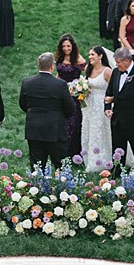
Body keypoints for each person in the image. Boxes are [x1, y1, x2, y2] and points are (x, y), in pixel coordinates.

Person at [20, 52, 77, 169]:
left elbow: (23, 104)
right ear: (52, 66)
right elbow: (71, 108)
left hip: (34, 130)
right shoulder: (60, 84)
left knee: (37, 167)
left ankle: (37, 187)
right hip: (55, 130)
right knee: (60, 167)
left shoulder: (27, 82)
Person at [104, 48, 134, 171]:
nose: (116, 64)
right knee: (117, 147)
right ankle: (117, 171)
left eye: (118, 62)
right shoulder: (115, 72)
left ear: (126, 60)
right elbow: (109, 92)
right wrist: (107, 108)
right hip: (117, 118)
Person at [53, 33, 86, 162]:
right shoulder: (59, 58)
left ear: (73, 46)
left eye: (68, 46)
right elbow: (59, 74)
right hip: (62, 93)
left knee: (73, 122)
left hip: (74, 95)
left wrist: (82, 86)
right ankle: (61, 150)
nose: (66, 48)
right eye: (64, 46)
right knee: (63, 122)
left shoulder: (77, 58)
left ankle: (73, 151)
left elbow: (87, 71)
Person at [80, 47, 114, 169]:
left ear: (100, 56)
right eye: (89, 55)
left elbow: (113, 90)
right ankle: (88, 158)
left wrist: (109, 103)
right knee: (88, 130)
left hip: (101, 105)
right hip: (88, 105)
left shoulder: (107, 71)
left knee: (100, 131)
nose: (90, 57)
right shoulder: (87, 69)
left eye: (93, 54)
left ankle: (102, 160)